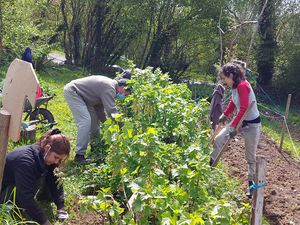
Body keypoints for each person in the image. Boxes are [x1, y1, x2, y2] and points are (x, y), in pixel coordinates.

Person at [210, 62, 261, 198]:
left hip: (252, 125)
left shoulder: (243, 86)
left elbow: (244, 108)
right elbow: (234, 102)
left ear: (231, 75)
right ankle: (210, 168)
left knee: (250, 157)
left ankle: (252, 187)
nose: (224, 81)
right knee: (219, 139)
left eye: (224, 78)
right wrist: (225, 114)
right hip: (241, 120)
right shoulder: (234, 87)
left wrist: (233, 126)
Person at [0, 128, 71, 225]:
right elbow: (25, 196)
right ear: (47, 148)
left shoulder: (44, 155)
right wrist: (45, 222)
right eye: (56, 157)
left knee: (51, 172)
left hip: (19, 186)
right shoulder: (25, 161)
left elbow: (55, 180)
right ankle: (10, 209)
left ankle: (43, 198)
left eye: (60, 159)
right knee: (23, 198)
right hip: (5, 191)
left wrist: (60, 206)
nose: (56, 161)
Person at [63, 73, 131, 164]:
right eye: (125, 94)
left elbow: (99, 109)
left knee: (94, 124)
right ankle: (79, 155)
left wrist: (107, 124)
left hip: (87, 99)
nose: (123, 96)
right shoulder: (110, 88)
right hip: (74, 92)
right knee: (85, 122)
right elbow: (112, 111)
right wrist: (123, 127)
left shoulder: (111, 87)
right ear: (122, 87)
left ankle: (95, 146)